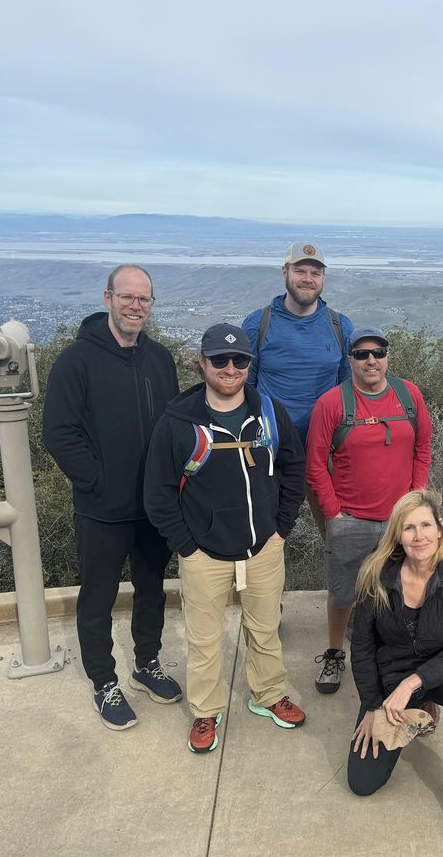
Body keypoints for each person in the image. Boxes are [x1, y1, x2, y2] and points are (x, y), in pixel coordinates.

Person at [143, 323, 307, 754]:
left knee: (265, 629)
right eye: (220, 360)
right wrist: (187, 546)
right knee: (204, 639)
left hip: (263, 547)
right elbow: (157, 493)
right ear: (202, 363)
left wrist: (280, 530)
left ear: (249, 365)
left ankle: (269, 694)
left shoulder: (270, 412)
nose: (230, 368)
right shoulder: (178, 423)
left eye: (239, 360)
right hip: (204, 554)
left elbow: (294, 468)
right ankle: (205, 710)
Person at [43, 264, 182, 730]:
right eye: (127, 297)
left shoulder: (160, 359)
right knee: (97, 598)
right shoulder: (76, 361)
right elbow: (59, 434)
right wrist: (97, 481)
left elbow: (174, 427)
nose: (135, 306)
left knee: (151, 590)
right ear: (107, 298)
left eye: (144, 299)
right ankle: (104, 682)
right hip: (102, 509)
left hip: (154, 507)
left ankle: (147, 664)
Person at [347, 489, 443, 846]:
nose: (419, 535)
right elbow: (361, 647)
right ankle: (418, 706)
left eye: (426, 524)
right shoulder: (375, 575)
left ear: (440, 528)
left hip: (440, 675)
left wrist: (414, 682)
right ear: (397, 535)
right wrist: (373, 704)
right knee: (363, 783)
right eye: (409, 527)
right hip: (390, 681)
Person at [306, 327, 433, 694]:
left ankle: (399, 655)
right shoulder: (332, 403)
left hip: (401, 521)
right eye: (361, 354)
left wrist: (416, 499)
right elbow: (315, 464)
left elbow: (422, 447)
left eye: (378, 352)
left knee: (406, 591)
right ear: (350, 361)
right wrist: (333, 514)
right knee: (343, 593)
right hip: (352, 521)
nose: (371, 360)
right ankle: (334, 653)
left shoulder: (409, 395)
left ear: (387, 355)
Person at [241, 242, 353, 539]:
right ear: (284, 273)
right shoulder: (258, 323)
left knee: (338, 531)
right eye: (300, 270)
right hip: (271, 450)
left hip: (325, 451)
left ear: (323, 278)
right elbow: (243, 387)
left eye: (315, 272)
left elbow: (347, 392)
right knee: (263, 531)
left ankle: (342, 587)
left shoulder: (340, 326)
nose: (307, 278)